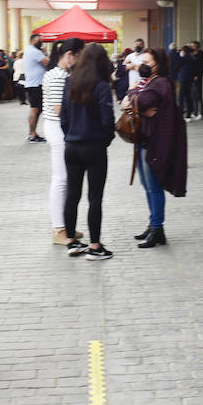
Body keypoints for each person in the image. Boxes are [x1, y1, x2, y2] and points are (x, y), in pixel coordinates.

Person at [127, 47, 186, 248]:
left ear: (158, 64)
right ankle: (153, 224)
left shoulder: (160, 83)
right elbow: (134, 104)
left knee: (153, 187)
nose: (142, 65)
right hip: (144, 140)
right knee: (147, 186)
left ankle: (157, 228)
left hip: (154, 143)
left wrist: (133, 91)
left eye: (147, 62)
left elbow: (140, 101)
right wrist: (136, 101)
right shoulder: (150, 82)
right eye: (141, 61)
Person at [61, 44, 116, 261]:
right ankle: (95, 246)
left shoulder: (70, 83)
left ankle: (71, 241)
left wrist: (70, 135)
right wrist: (106, 139)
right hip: (94, 146)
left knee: (72, 195)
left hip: (72, 146)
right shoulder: (101, 86)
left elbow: (63, 118)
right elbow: (107, 119)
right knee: (95, 197)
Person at [44, 37, 86, 245]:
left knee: (63, 179)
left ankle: (64, 227)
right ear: (70, 55)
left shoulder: (56, 73)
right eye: (79, 56)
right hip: (58, 129)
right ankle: (59, 228)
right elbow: (59, 109)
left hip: (55, 128)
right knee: (60, 179)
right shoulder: (59, 76)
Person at [24, 33, 49, 143]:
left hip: (34, 84)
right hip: (36, 85)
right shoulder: (35, 51)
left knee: (37, 109)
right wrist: (45, 53)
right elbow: (48, 63)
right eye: (39, 40)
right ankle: (32, 134)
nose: (41, 42)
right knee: (35, 109)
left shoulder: (30, 50)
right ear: (33, 40)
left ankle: (32, 133)